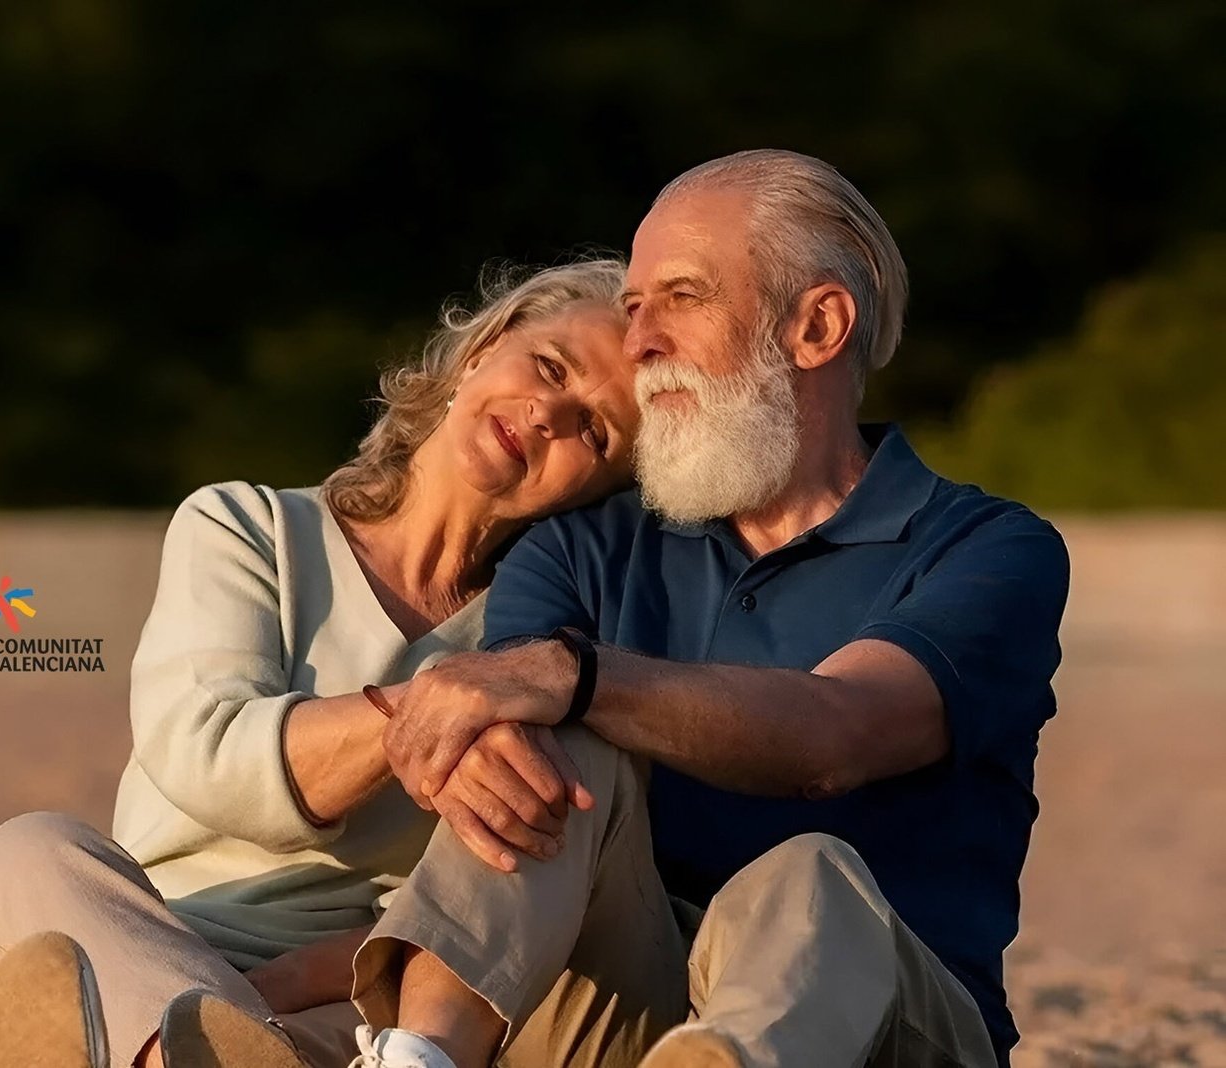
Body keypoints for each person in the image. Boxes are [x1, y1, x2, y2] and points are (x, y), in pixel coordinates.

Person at [170, 150, 1070, 1068]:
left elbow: (838, 735)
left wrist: (579, 672)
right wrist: (551, 688)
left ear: (817, 326)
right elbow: (505, 755)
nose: (640, 342)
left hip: (888, 1025)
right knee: (546, 737)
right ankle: (412, 1060)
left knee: (806, 874)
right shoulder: (587, 547)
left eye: (681, 297)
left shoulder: (987, 549)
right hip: (634, 1015)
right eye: (634, 308)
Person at [0, 256, 670, 1068]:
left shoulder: (552, 644)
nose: (550, 413)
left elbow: (507, 899)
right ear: (485, 348)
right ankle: (190, 1043)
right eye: (549, 366)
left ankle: (174, 1051)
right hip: (163, 936)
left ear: (602, 493)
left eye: (595, 432)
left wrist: (295, 981)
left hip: (363, 991)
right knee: (27, 850)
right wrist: (433, 708)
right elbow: (209, 754)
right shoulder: (247, 527)